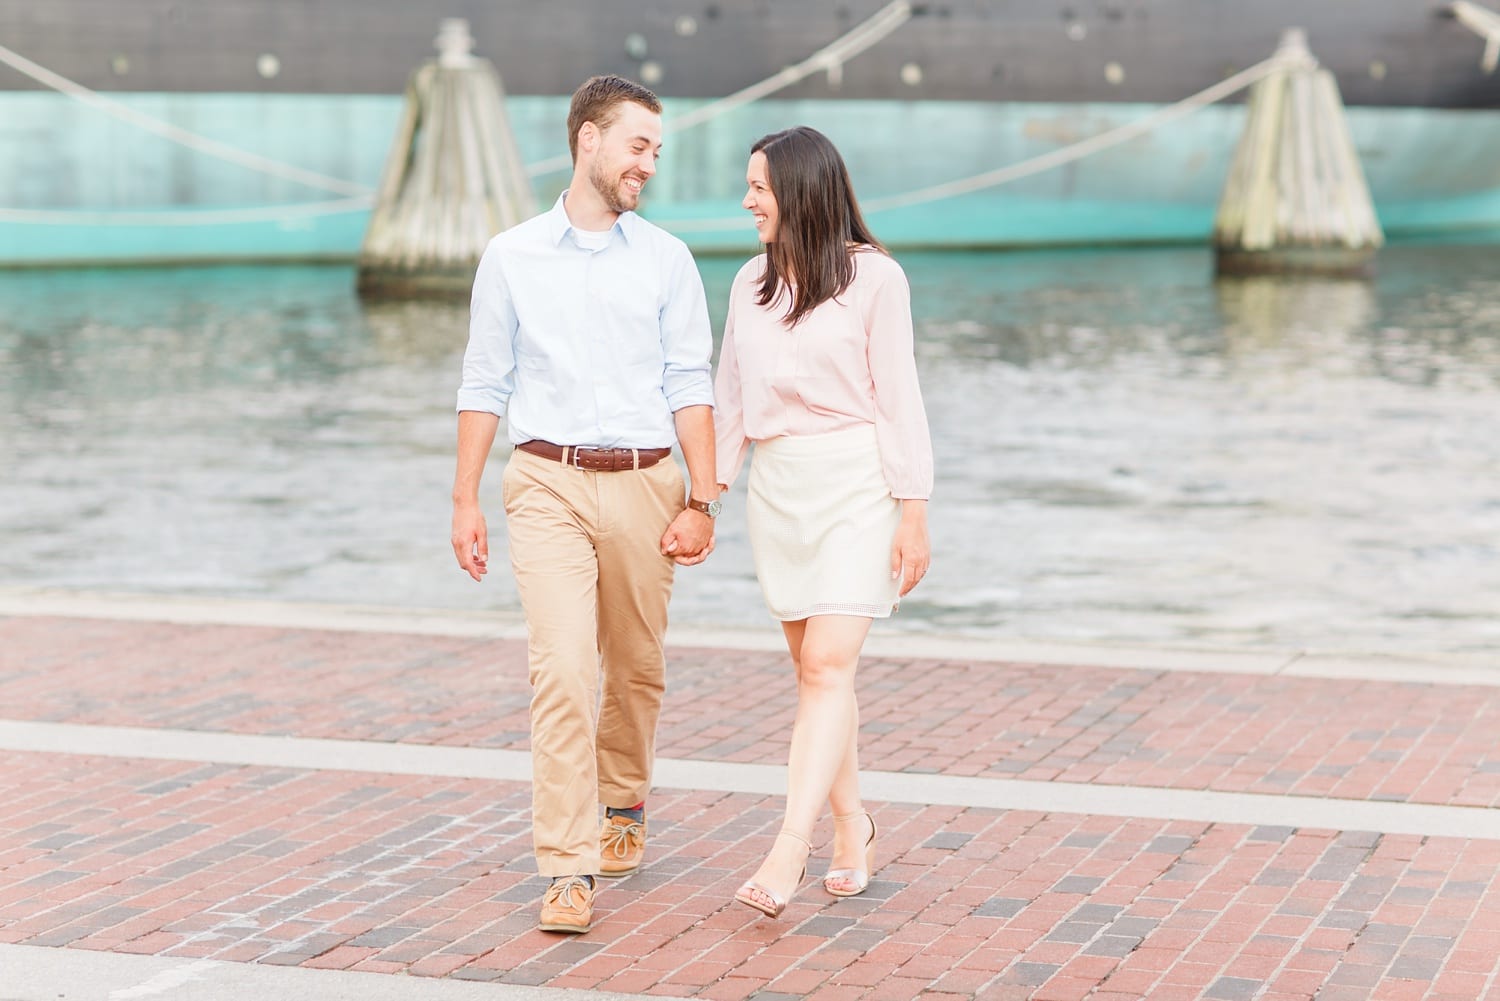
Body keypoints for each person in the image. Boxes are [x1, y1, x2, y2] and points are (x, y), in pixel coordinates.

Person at [451, 75, 721, 934]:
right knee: (562, 670)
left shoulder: (667, 259)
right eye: (637, 144)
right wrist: (465, 498)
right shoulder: (512, 256)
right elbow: (484, 380)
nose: (648, 162)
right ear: (588, 141)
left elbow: (690, 383)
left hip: (649, 482)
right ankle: (566, 865)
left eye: (655, 149)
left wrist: (704, 500)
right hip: (546, 480)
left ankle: (624, 805)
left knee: (636, 669)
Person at [713, 126, 933, 918]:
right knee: (818, 675)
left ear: (801, 191)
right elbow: (730, 398)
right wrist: (705, 496)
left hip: (857, 486)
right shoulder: (749, 284)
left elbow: (899, 395)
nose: (746, 201)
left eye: (759, 188)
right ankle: (853, 824)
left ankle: (787, 847)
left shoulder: (878, 281)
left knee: (826, 667)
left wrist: (914, 509)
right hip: (780, 488)